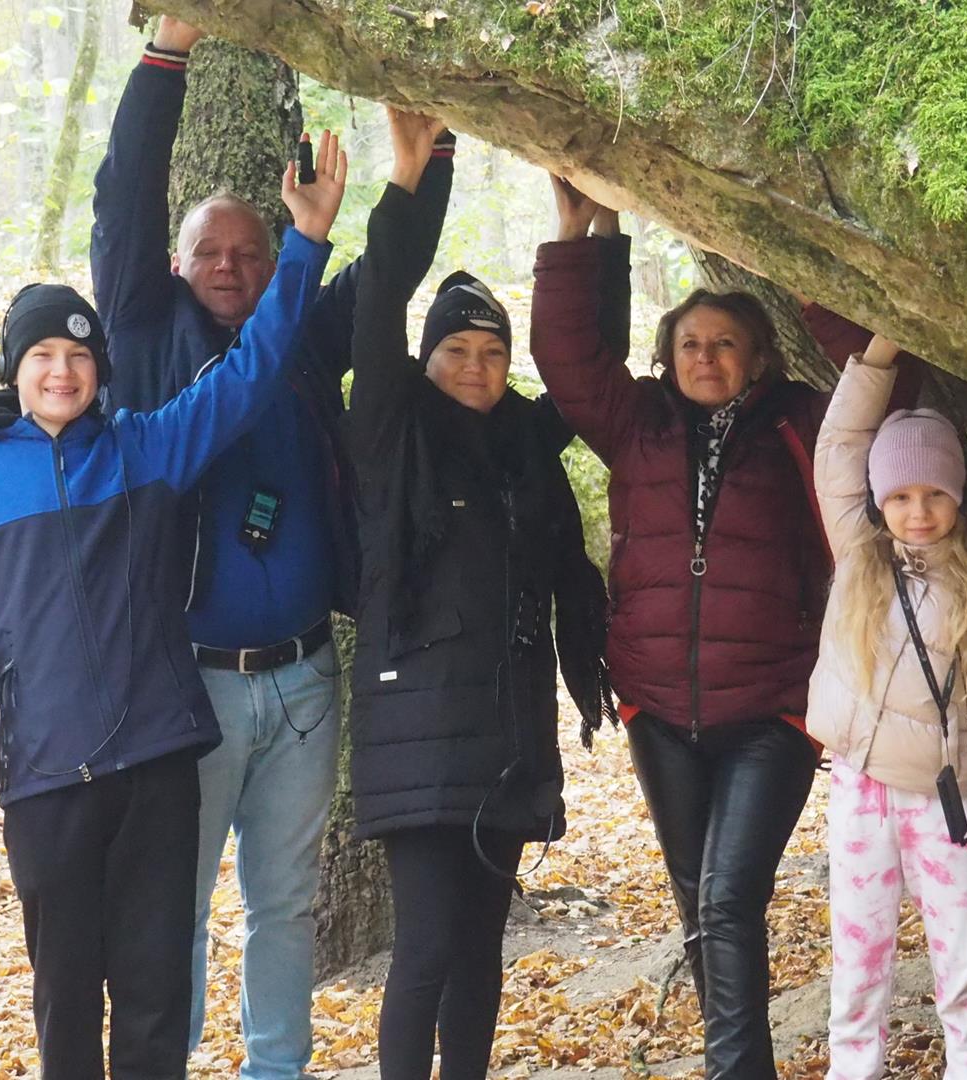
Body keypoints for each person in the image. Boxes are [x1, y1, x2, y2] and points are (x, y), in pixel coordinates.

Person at [0, 138, 345, 1079]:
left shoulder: (143, 451)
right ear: (13, 367)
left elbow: (249, 372)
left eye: (79, 356)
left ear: (102, 369)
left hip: (156, 766)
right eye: (43, 356)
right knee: (68, 1002)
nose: (62, 373)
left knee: (153, 1004)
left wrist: (306, 243)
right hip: (47, 779)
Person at [89, 18, 455, 1076]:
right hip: (188, 684)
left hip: (302, 679)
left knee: (285, 905)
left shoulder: (297, 332)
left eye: (251, 252)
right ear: (175, 262)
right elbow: (124, 195)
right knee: (175, 905)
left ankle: (277, 1069)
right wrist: (168, 51)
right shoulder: (143, 328)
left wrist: (423, 164)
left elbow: (390, 274)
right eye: (210, 251)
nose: (230, 266)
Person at [530, 178, 921, 1079]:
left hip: (772, 708)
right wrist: (572, 234)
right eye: (691, 344)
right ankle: (735, 1058)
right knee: (698, 901)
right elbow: (566, 355)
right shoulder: (637, 423)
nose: (706, 358)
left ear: (759, 356)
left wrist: (812, 282)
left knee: (727, 897)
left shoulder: (803, 423)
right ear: (668, 356)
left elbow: (893, 397)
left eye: (725, 344)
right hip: (658, 707)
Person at [345, 117, 612, 1080]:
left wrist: (583, 241)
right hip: (416, 733)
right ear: (425, 361)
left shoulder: (522, 447)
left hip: (506, 732)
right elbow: (377, 304)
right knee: (424, 947)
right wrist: (406, 182)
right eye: (456, 348)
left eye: (492, 351)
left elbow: (586, 371)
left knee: (480, 950)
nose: (475, 366)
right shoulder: (392, 433)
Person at [806, 332, 967, 1080]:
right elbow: (838, 448)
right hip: (860, 787)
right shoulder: (859, 553)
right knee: (858, 959)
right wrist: (879, 355)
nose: (918, 512)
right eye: (901, 497)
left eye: (935, 494)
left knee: (962, 959)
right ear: (879, 501)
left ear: (959, 496)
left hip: (945, 800)